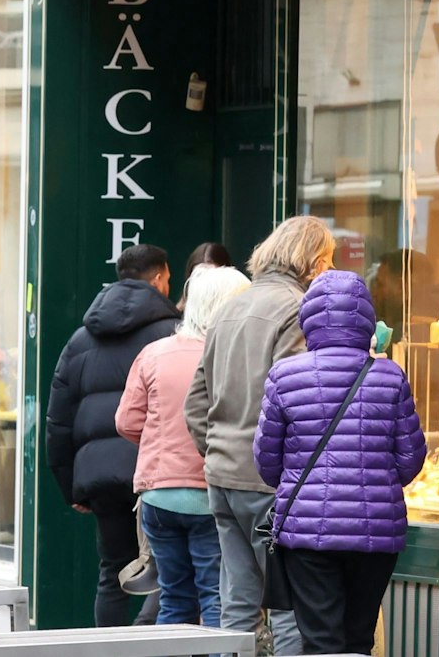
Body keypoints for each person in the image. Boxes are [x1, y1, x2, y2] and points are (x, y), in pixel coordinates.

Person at [254, 270, 427, 657]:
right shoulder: (390, 376)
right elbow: (411, 458)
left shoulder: (284, 376)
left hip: (308, 530)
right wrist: (376, 482)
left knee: (320, 641)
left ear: (308, 319)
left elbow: (267, 462)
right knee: (358, 639)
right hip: (377, 533)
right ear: (366, 318)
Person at [188, 216, 333, 655]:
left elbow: (195, 402)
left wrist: (216, 451)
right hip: (271, 482)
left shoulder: (231, 306)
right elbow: (298, 402)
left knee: (238, 607)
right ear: (313, 260)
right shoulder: (297, 309)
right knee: (290, 608)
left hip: (224, 478)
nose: (328, 270)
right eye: (326, 260)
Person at [45, 243, 181, 627]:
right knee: (162, 572)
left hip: (99, 474)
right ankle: (144, 642)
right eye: (169, 279)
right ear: (158, 279)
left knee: (112, 572)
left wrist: (70, 484)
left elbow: (59, 419)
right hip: (153, 473)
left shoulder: (81, 339)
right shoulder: (171, 334)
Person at [118, 265, 252, 628]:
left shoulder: (154, 353)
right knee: (213, 597)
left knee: (173, 599)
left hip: (158, 497)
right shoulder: (233, 357)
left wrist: (160, 442)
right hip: (210, 496)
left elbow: (126, 421)